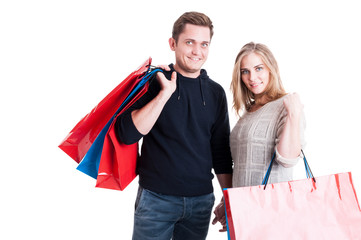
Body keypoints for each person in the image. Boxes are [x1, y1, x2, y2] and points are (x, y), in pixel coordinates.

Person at [115, 11, 233, 240]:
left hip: (200, 203)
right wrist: (163, 95)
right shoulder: (153, 82)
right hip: (156, 200)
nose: (197, 51)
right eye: (189, 42)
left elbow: (220, 153)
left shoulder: (216, 93)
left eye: (204, 44)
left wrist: (230, 200)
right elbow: (126, 134)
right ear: (173, 43)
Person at [213, 42, 306, 231]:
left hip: (272, 212)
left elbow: (287, 159)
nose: (251, 77)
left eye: (258, 68)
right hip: (243, 210)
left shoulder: (285, 106)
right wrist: (228, 200)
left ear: (271, 68)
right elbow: (241, 164)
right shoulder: (248, 112)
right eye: (245, 71)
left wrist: (294, 114)